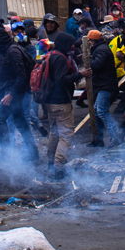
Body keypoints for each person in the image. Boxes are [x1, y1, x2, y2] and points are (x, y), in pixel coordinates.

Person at [0, 25, 38, 163]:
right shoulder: (7, 50)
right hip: (11, 91)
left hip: (14, 93)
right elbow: (6, 72)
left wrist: (11, 94)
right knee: (21, 122)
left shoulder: (13, 51)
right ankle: (33, 154)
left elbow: (22, 76)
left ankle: (6, 154)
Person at [37, 32, 83, 180]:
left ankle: (51, 161)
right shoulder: (61, 59)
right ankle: (58, 166)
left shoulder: (52, 54)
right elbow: (61, 80)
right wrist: (81, 75)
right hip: (61, 101)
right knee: (66, 135)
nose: (72, 47)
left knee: (55, 132)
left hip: (50, 101)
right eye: (70, 44)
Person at [87, 29, 123, 147]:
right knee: (98, 112)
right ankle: (98, 140)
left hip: (106, 86)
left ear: (93, 41)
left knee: (101, 111)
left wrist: (87, 59)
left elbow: (97, 65)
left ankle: (116, 136)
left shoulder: (101, 50)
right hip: (103, 85)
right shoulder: (100, 49)